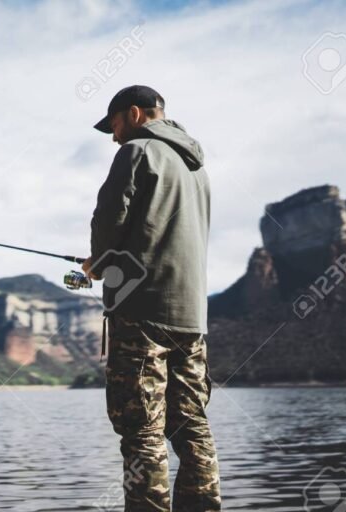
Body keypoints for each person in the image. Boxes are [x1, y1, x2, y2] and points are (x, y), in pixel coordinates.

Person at [82, 85, 221, 511]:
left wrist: (97, 264)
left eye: (114, 125)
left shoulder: (137, 151)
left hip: (141, 312)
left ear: (135, 114)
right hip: (191, 316)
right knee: (191, 425)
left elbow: (110, 218)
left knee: (141, 428)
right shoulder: (196, 167)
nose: (114, 137)